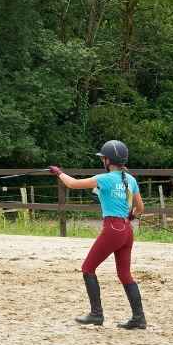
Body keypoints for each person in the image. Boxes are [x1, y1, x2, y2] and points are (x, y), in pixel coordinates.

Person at [48, 140, 147, 329]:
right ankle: (139, 318)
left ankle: (96, 314)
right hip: (127, 231)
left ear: (108, 160)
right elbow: (140, 207)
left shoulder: (104, 179)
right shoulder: (131, 179)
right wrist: (132, 214)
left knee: (88, 268)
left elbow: (73, 184)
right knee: (125, 274)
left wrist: (59, 172)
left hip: (112, 229)